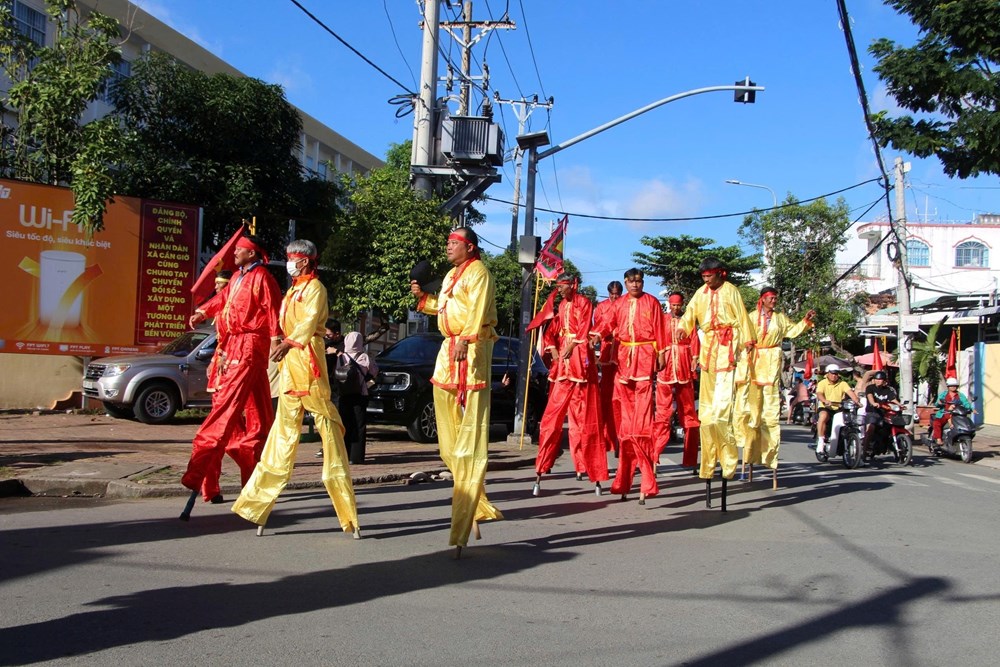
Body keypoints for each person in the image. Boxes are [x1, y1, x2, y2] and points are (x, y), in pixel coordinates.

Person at [232, 239, 361, 538]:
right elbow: (281, 322)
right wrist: (278, 339)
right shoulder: (292, 290)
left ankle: (348, 513)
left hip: (308, 361)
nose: (288, 262)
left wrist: (290, 341)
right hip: (290, 365)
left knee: (327, 428)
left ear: (303, 261)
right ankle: (258, 504)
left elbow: (309, 321)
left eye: (291, 258)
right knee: (282, 435)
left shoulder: (316, 288)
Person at [410, 226, 502, 558]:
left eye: (454, 242)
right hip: (448, 351)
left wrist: (466, 337)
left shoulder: (480, 272)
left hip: (472, 349)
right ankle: (475, 498)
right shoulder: (451, 274)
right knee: (446, 430)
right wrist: (425, 299)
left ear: (470, 247)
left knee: (469, 432)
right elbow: (446, 307)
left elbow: (475, 311)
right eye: (448, 242)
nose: (448, 246)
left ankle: (467, 511)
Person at [181, 234, 282, 506]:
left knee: (230, 417)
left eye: (239, 249)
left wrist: (275, 338)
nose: (235, 252)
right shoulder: (238, 277)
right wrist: (203, 312)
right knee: (256, 419)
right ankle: (243, 484)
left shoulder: (261, 277)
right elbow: (222, 299)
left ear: (252, 254)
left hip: (249, 347)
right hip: (233, 351)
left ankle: (201, 473)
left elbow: (273, 308)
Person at [591, 268, 666, 504]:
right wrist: (596, 335)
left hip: (644, 356)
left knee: (641, 425)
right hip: (624, 360)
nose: (636, 285)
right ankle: (623, 478)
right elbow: (606, 323)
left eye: (639, 281)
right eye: (632, 282)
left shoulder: (652, 302)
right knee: (626, 424)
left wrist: (661, 353)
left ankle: (646, 478)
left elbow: (661, 331)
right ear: (626, 282)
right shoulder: (619, 303)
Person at [678, 257, 755, 483]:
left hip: (727, 349)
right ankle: (709, 463)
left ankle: (728, 462)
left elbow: (742, 317)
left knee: (722, 412)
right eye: (703, 276)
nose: (706, 279)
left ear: (719, 273)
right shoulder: (700, 293)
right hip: (708, 350)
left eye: (709, 275)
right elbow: (690, 314)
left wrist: (748, 343)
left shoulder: (731, 291)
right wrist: (683, 327)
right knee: (707, 414)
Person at [530, 273, 608, 497]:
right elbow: (551, 333)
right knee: (550, 420)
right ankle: (542, 466)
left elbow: (583, 331)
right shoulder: (561, 306)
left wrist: (572, 347)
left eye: (563, 286)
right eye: (558, 286)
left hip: (580, 363)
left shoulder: (584, 303)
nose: (560, 290)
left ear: (573, 285)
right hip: (562, 368)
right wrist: (554, 351)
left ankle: (593, 471)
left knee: (587, 421)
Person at [735, 287, 814, 474]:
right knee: (751, 410)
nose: (774, 301)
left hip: (771, 363)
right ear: (762, 300)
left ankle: (769, 456)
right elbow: (740, 337)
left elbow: (793, 331)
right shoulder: (751, 317)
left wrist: (805, 321)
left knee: (770, 412)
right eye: (771, 298)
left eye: (775, 298)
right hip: (753, 364)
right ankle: (748, 453)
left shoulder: (780, 318)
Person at [653, 291, 700, 469]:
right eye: (673, 305)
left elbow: (694, 340)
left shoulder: (688, 321)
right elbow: (657, 340)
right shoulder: (663, 320)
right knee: (662, 414)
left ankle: (690, 458)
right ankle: (655, 453)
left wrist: (695, 358)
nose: (676, 308)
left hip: (683, 366)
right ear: (669, 304)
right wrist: (658, 357)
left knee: (688, 414)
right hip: (666, 367)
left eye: (679, 305)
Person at [337, 331, 379, 464]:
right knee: (359, 425)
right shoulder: (364, 357)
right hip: (360, 395)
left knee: (345, 424)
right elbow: (374, 371)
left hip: (344, 395)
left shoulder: (341, 358)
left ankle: (344, 454)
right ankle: (356, 457)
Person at [591, 280, 623, 455]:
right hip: (605, 351)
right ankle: (605, 437)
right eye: (612, 293)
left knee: (619, 398)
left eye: (617, 294)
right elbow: (599, 326)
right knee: (605, 397)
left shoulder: (625, 304)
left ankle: (619, 437)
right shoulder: (601, 306)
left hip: (620, 352)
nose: (614, 296)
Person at [815, 364, 860, 456]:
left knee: (850, 421)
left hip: (839, 408)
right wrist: (824, 400)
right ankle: (821, 441)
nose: (834, 375)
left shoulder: (842, 383)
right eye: (832, 373)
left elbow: (850, 392)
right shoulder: (822, 383)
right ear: (828, 373)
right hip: (826, 407)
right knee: (823, 415)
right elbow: (819, 394)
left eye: (836, 373)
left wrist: (856, 401)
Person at [861, 370, 902, 458]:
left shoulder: (888, 390)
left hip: (884, 414)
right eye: (877, 379)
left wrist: (900, 405)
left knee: (893, 425)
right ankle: (864, 451)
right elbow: (870, 396)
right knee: (871, 427)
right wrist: (873, 403)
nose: (878, 381)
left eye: (881, 379)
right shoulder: (870, 388)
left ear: (884, 381)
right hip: (872, 412)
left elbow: (892, 399)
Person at [931, 377, 974, 444]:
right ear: (948, 386)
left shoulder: (960, 395)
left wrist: (971, 409)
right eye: (951, 386)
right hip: (944, 413)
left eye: (955, 385)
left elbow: (965, 403)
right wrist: (940, 403)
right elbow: (937, 403)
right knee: (937, 423)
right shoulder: (944, 394)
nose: (953, 387)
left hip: (956, 414)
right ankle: (939, 439)